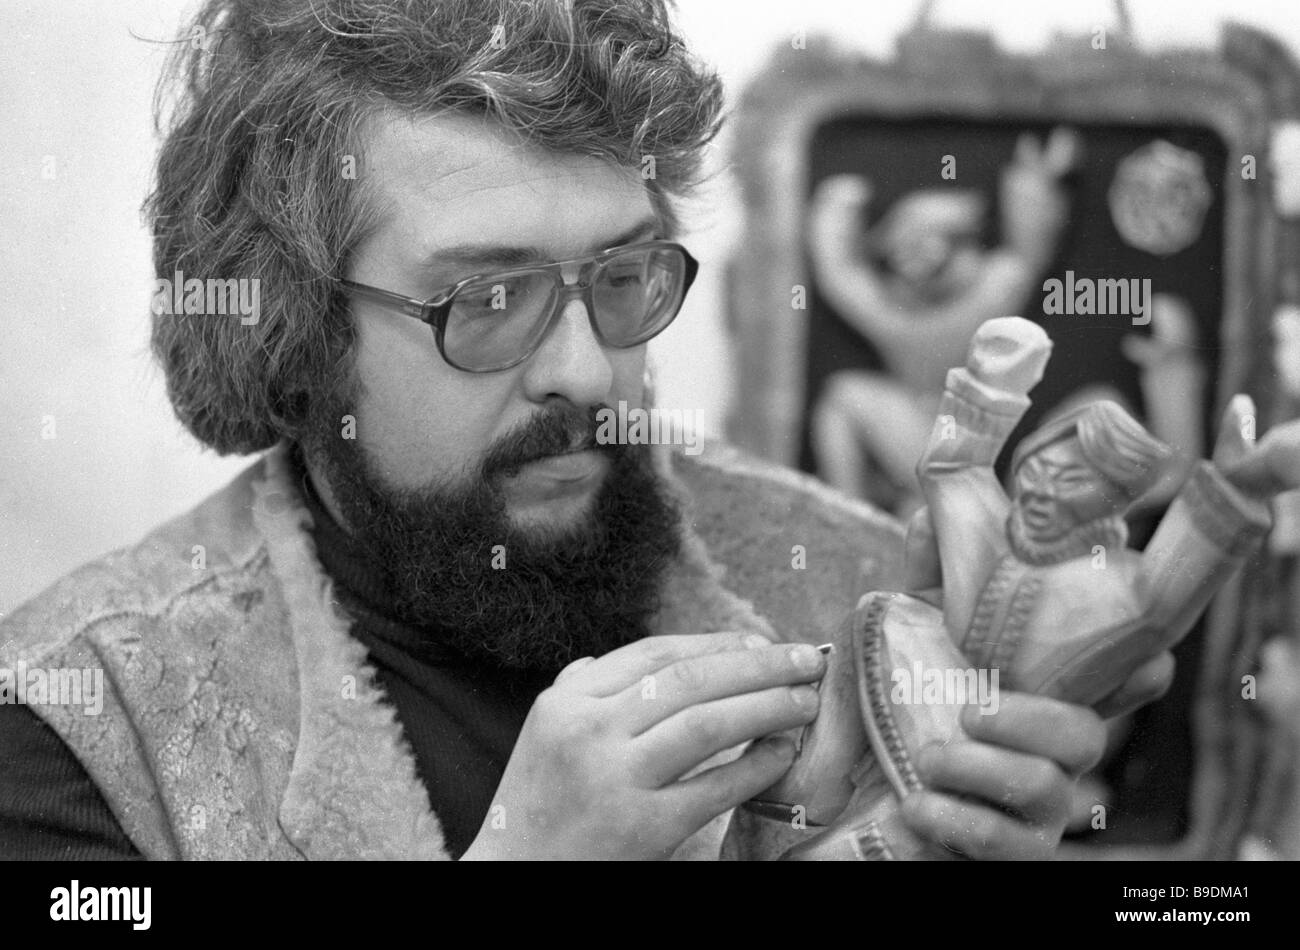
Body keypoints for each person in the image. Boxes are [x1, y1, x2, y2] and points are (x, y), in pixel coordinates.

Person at [0, 0, 1165, 861]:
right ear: (294, 334)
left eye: (622, 274)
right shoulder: (83, 720)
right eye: (486, 300)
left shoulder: (862, 590)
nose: (586, 369)